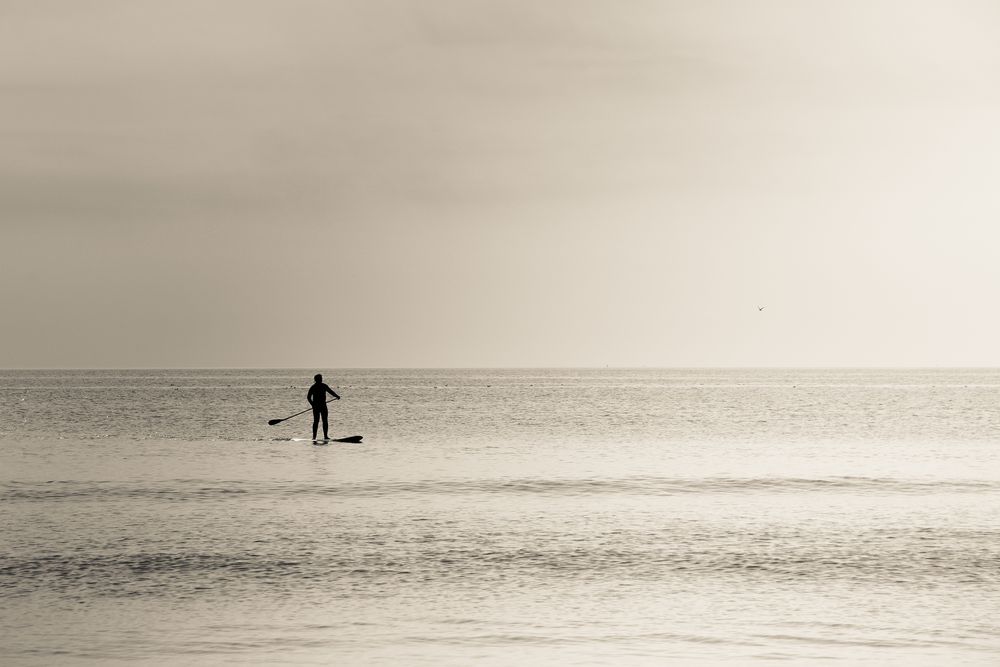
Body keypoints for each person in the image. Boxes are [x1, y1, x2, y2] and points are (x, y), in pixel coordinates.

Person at [307, 374, 340, 440]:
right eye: (320, 378)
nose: (321, 379)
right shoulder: (313, 387)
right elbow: (308, 397)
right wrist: (312, 405)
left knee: (325, 421)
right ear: (316, 379)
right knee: (316, 421)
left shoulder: (324, 386)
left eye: (321, 378)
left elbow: (330, 392)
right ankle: (314, 437)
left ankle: (325, 436)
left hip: (323, 406)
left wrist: (336, 396)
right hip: (317, 406)